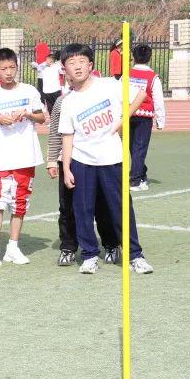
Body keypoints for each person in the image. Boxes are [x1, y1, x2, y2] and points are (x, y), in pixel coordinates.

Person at [59, 43, 154, 275]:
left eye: (81, 61)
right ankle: (90, 255)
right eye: (71, 63)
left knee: (121, 208)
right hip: (82, 162)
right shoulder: (68, 101)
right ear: (65, 70)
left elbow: (141, 94)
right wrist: (67, 167)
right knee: (82, 210)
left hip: (112, 159)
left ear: (90, 65)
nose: (77, 67)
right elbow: (67, 135)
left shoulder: (110, 86)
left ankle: (135, 255)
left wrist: (124, 119)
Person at [0, 48, 45, 269]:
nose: (9, 72)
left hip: (25, 156)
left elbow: (42, 117)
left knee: (19, 204)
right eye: (3, 69)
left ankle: (13, 247)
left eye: (12, 68)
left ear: (17, 67)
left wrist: (26, 114)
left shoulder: (29, 90)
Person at [46, 82, 119, 266]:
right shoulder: (63, 101)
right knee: (67, 207)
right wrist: (52, 159)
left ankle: (110, 244)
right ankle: (68, 247)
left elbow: (115, 128)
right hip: (69, 163)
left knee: (102, 205)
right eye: (70, 65)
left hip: (98, 161)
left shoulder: (101, 95)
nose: (76, 71)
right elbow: (56, 132)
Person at [128, 43, 166, 192]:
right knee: (140, 148)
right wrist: (160, 120)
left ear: (133, 57)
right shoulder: (153, 77)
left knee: (132, 148)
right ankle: (136, 180)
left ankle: (140, 174)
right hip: (144, 116)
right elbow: (158, 100)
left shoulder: (127, 74)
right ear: (149, 57)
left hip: (129, 113)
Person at [36, 51, 63, 116]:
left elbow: (62, 72)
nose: (46, 61)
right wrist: (44, 64)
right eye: (46, 59)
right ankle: (52, 120)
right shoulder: (43, 66)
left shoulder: (57, 66)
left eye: (47, 59)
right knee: (50, 107)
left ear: (51, 61)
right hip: (46, 91)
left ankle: (59, 120)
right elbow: (38, 68)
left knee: (58, 106)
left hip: (56, 90)